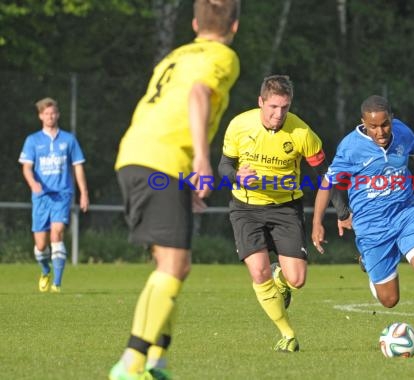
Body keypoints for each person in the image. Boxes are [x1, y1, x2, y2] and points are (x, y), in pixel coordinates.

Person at [110, 1, 241, 379]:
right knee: (174, 265)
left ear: (195, 23)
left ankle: (157, 361)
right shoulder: (223, 55)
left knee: (171, 266)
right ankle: (131, 365)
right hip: (162, 160)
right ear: (234, 27)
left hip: (136, 156)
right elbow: (199, 94)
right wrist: (201, 159)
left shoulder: (176, 55)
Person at [312, 95, 414, 355]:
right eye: (373, 127)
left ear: (391, 119)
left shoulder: (402, 132)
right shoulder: (350, 147)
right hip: (371, 226)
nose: (380, 132)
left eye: (385, 125)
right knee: (390, 300)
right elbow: (328, 182)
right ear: (363, 124)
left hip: (405, 214)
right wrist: (317, 222)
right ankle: (369, 263)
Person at [218, 75, 350, 353]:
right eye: (273, 107)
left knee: (297, 279)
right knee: (259, 271)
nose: (279, 114)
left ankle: (282, 279)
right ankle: (288, 335)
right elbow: (224, 166)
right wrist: (236, 177)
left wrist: (341, 210)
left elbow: (326, 174)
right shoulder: (239, 125)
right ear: (261, 102)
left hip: (286, 209)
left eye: (285, 108)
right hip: (245, 208)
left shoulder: (302, 133)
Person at [18, 97, 89, 294]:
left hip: (62, 195)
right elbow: (26, 168)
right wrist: (33, 184)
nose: (50, 116)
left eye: (53, 113)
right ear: (40, 116)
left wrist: (84, 193)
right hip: (41, 197)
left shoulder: (69, 140)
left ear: (58, 114)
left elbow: (78, 167)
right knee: (41, 245)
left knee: (57, 233)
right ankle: (46, 271)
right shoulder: (32, 140)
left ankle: (57, 284)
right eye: (46, 113)